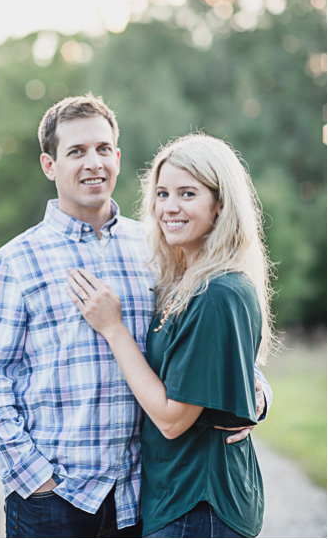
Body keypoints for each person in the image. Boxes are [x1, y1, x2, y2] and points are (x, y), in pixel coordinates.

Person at [0, 94, 270, 538]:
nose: (93, 163)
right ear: (50, 165)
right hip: (56, 499)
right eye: (77, 151)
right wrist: (35, 480)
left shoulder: (157, 248)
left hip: (139, 494)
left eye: (103, 149)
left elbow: (208, 339)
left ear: (118, 157)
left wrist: (255, 394)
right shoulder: (15, 262)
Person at [66, 133, 274, 537]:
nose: (169, 207)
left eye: (187, 193)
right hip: (174, 499)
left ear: (220, 204)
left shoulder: (218, 292)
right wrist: (257, 394)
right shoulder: (183, 282)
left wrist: (113, 328)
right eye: (162, 193)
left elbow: (172, 420)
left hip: (200, 507)